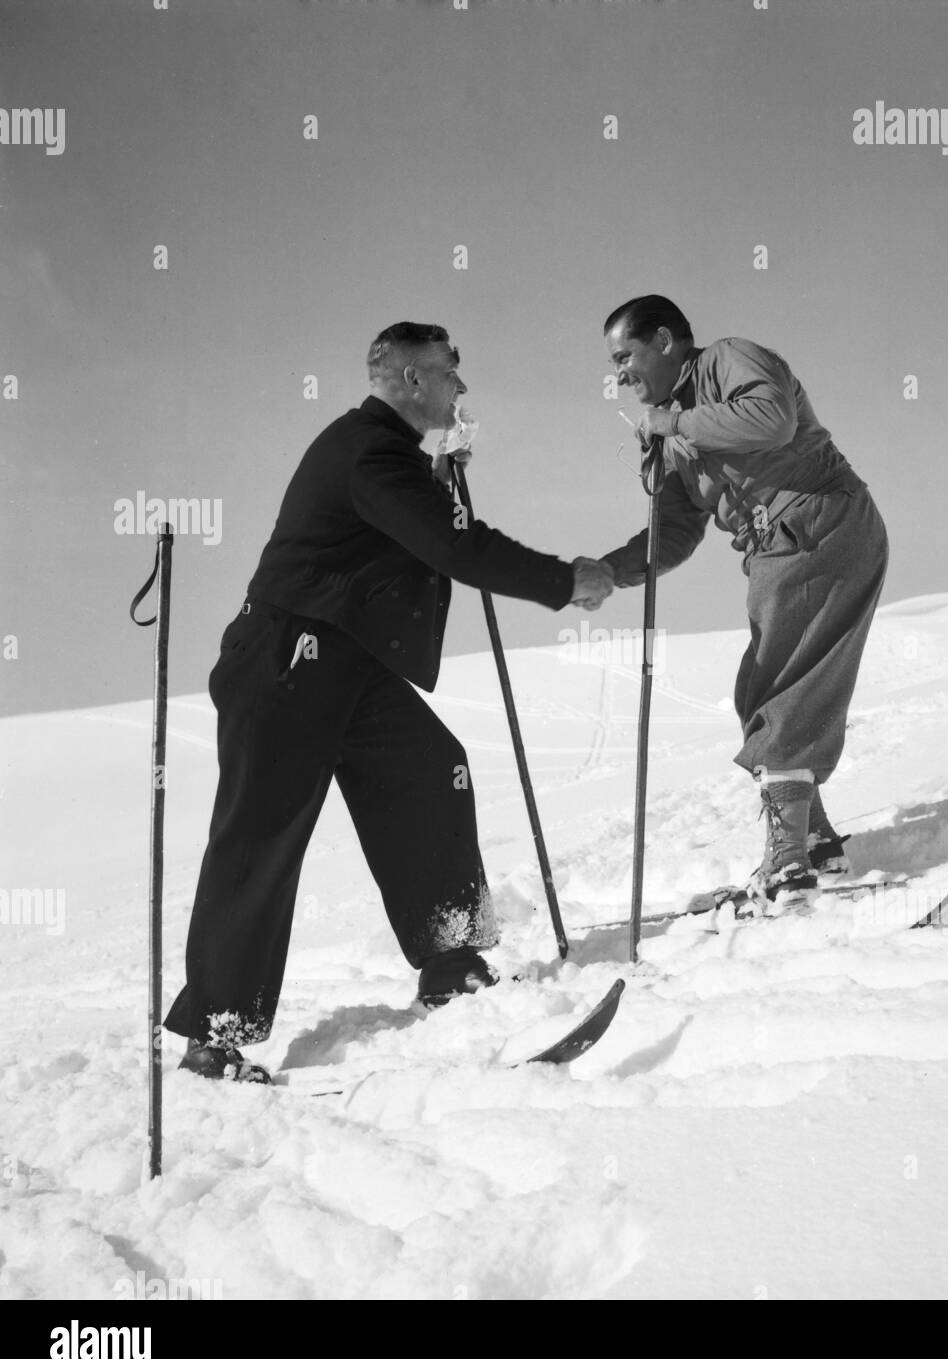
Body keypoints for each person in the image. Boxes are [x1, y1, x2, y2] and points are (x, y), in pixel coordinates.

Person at [165, 321, 615, 1082]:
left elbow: (410, 541)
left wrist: (437, 483)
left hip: (343, 663)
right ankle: (214, 1038)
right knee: (261, 836)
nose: (460, 387)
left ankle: (451, 964)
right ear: (411, 379)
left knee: (431, 768)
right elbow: (452, 549)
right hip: (286, 661)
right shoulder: (368, 451)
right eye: (449, 373)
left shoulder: (390, 458)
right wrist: (562, 580)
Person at [599, 295, 888, 905]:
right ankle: (811, 841)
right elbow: (672, 536)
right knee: (764, 689)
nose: (619, 374)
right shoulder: (670, 431)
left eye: (626, 356)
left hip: (819, 521)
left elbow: (771, 420)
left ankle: (790, 860)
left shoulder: (728, 359)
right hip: (778, 550)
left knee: (778, 688)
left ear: (665, 341)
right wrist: (607, 571)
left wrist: (673, 426)